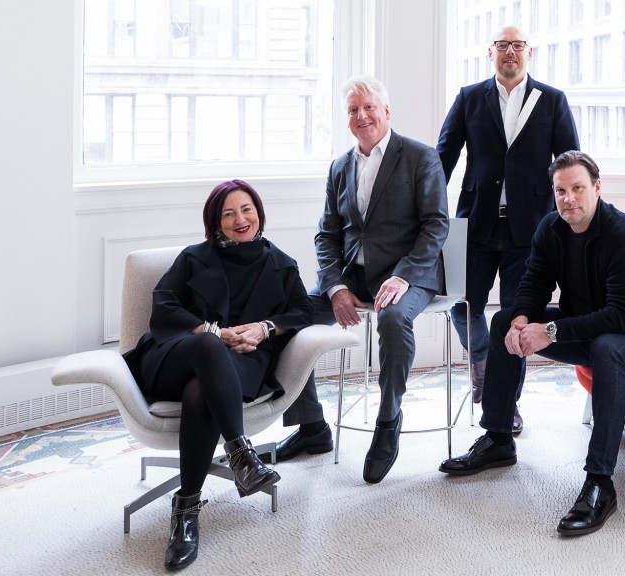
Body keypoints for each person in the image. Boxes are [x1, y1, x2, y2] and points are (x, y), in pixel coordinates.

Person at [438, 151, 625, 536]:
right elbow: (533, 284)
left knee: (607, 347)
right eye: (561, 190)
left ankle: (600, 483)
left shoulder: (624, 234)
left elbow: (621, 318)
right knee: (503, 321)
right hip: (587, 329)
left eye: (578, 188)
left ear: (597, 188)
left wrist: (548, 332)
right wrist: (521, 321)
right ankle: (499, 437)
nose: (569, 198)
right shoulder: (551, 228)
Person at [122, 179, 312, 571]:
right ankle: (241, 454)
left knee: (200, 393)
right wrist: (211, 332)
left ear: (258, 212)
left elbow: (302, 312)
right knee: (209, 348)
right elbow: (164, 308)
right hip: (175, 358)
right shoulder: (194, 257)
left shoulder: (281, 264)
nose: (240, 219)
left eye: (246, 209)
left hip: (240, 366)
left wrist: (265, 328)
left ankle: (185, 514)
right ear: (215, 222)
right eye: (228, 213)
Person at [273, 75, 449, 484]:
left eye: (369, 107)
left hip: (412, 275)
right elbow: (327, 235)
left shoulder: (421, 157)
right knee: (292, 316)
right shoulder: (340, 167)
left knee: (391, 318)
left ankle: (388, 420)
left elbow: (436, 226)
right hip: (353, 277)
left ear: (386, 111)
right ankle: (312, 426)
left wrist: (403, 276)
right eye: (353, 110)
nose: (362, 115)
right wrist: (335, 287)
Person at [436, 25, 580, 434]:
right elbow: (442, 157)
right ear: (491, 53)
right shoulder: (469, 98)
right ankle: (483, 364)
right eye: (503, 45)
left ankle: (507, 403)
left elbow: (569, 160)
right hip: (477, 224)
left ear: (528, 53)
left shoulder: (552, 100)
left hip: (529, 230)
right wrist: (425, 210)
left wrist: (569, 215)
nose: (510, 52)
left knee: (519, 317)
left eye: (517, 45)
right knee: (461, 306)